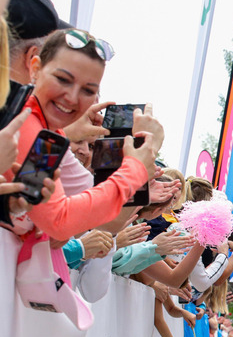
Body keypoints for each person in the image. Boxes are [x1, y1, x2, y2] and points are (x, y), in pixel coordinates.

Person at [4, 28, 158, 240]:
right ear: (35, 68)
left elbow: (105, 219)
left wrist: (130, 154)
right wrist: (135, 170)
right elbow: (60, 221)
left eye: (88, 90)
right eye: (63, 79)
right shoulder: (26, 123)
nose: (72, 97)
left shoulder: (46, 134)